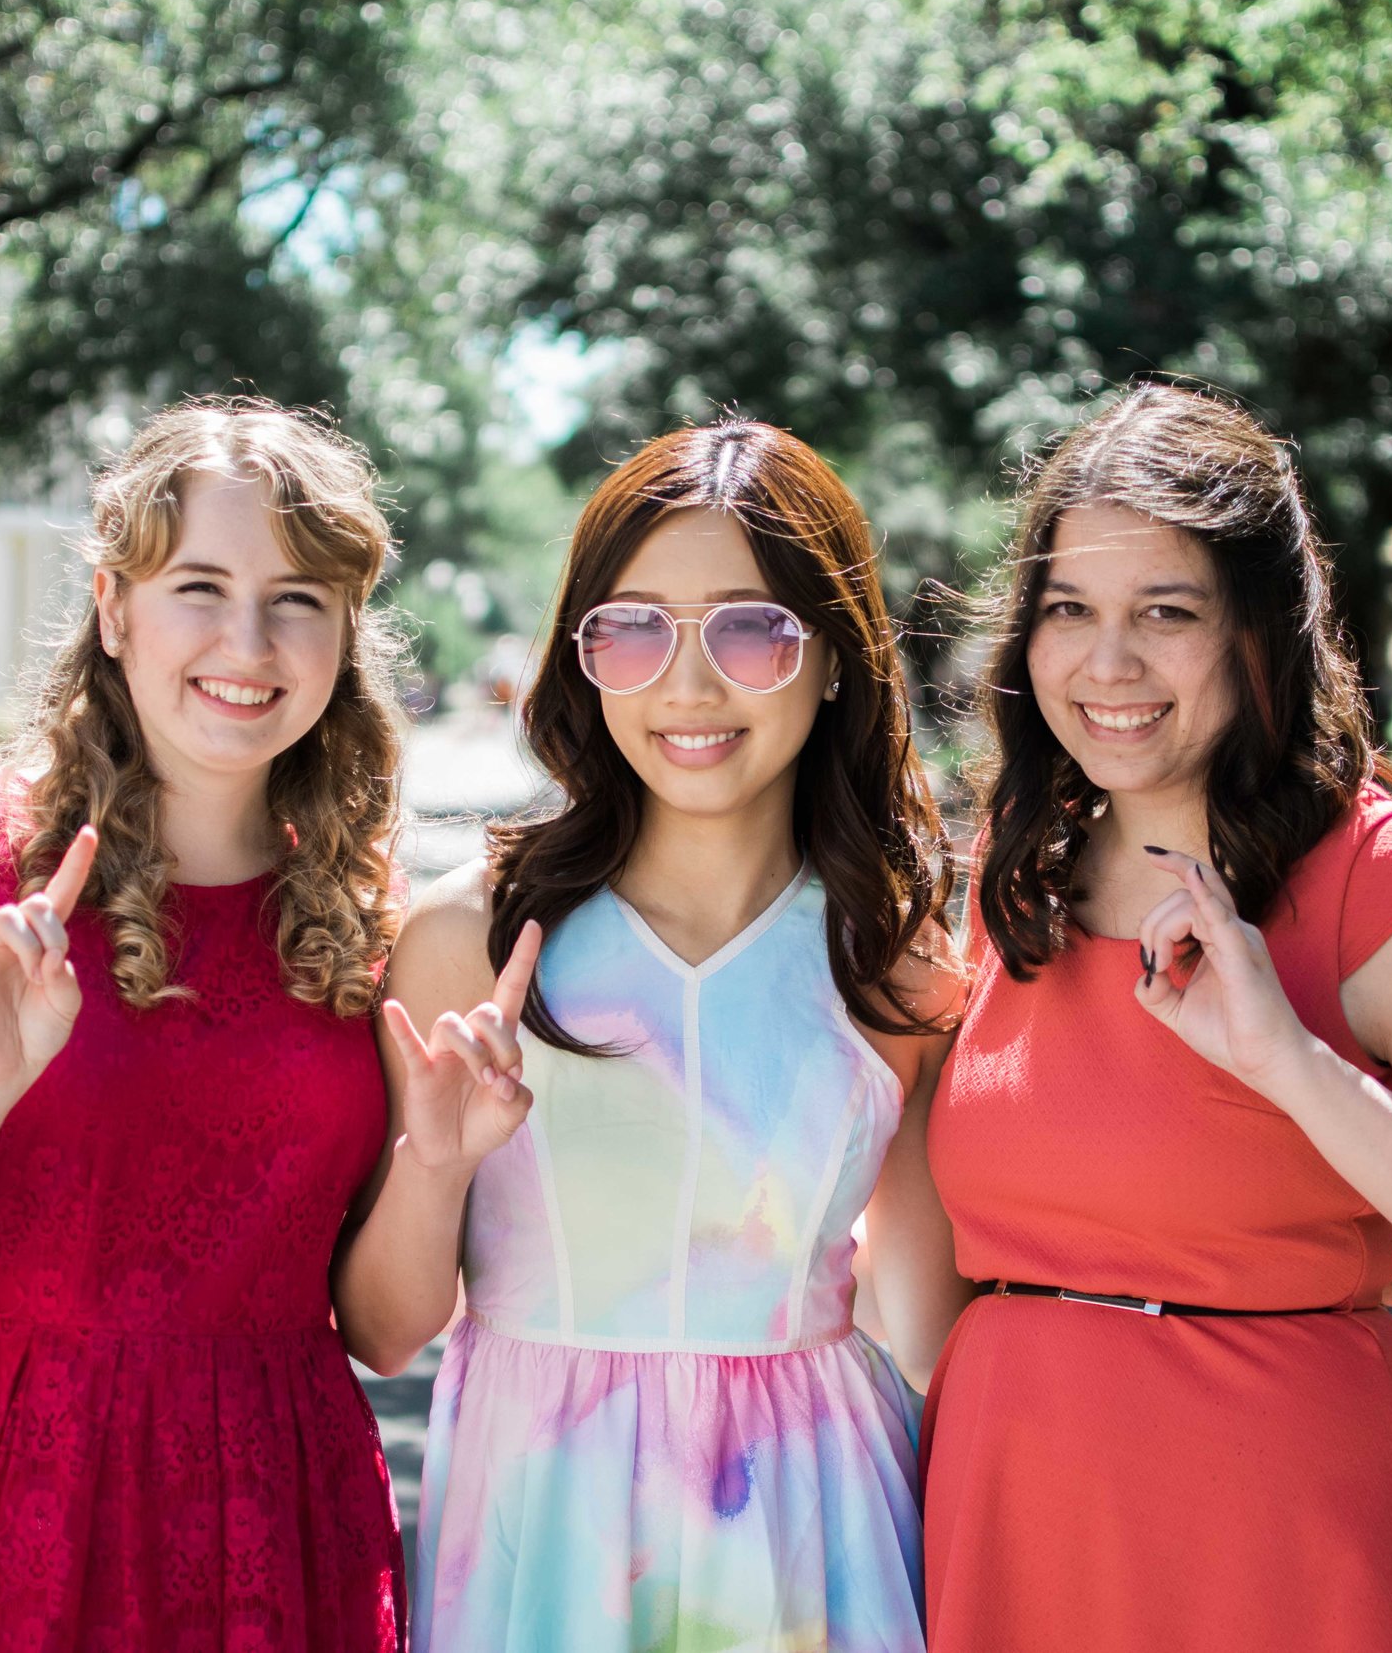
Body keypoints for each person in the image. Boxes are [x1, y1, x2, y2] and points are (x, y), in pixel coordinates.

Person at [912, 382, 1392, 1653]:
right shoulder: (1010, 870)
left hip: (1281, 1546)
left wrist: (1293, 1066)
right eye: (1069, 611)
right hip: (1009, 1520)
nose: (1108, 662)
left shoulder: (1376, 871)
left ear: (1262, 631)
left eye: (1167, 612)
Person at [0, 400, 410, 1650]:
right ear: (115, 607)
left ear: (345, 631)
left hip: (281, 1512)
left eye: (298, 597)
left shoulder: (364, 913)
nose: (249, 639)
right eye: (199, 584)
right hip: (1, 1500)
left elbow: (383, 1318)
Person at [333, 419, 966, 1652]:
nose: (687, 684)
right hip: (542, 1523)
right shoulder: (475, 932)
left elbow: (934, 1331)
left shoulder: (893, 955)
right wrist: (436, 1158)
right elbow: (387, 1327)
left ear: (834, 655)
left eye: (751, 626)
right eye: (631, 629)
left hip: (816, 1521)